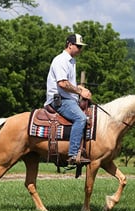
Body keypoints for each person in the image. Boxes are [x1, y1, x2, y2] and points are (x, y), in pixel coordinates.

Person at [44, 33, 92, 165]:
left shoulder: (71, 61)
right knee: (80, 118)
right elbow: (63, 83)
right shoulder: (61, 60)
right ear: (70, 45)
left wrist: (80, 89)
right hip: (59, 100)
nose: (80, 49)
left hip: (67, 98)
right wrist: (80, 91)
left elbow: (68, 83)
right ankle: (73, 154)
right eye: (78, 46)